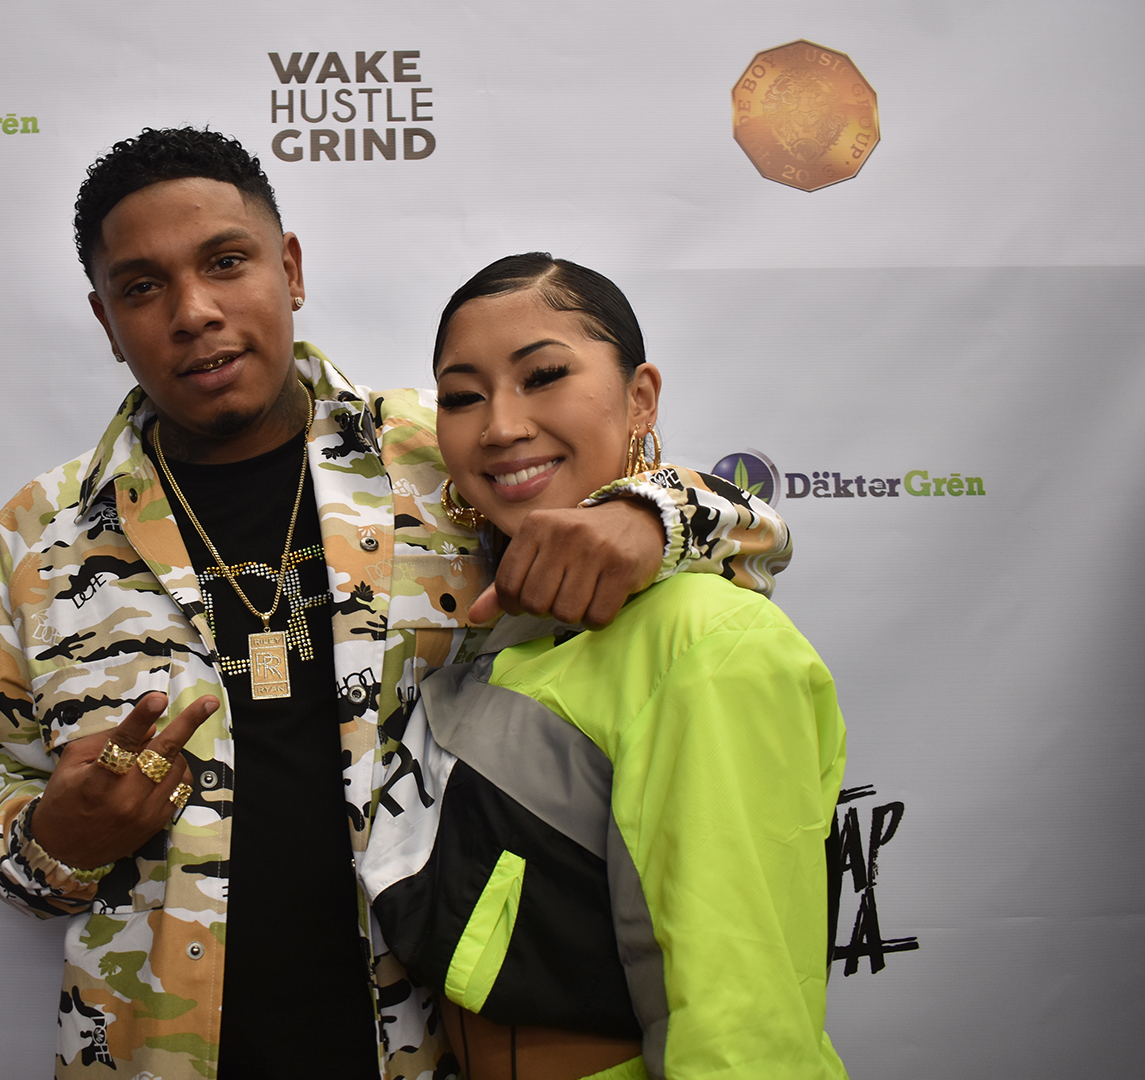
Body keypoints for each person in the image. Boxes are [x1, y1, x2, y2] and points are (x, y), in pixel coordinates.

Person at [0, 130, 795, 1080]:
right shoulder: (39, 535)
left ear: (291, 269)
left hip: (431, 1051)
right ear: (106, 320)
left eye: (226, 262)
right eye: (142, 287)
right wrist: (58, 841)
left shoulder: (451, 451)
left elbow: (748, 537)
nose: (194, 311)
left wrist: (647, 517)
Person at [361, 254, 849, 1080]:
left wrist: (653, 515)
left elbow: (741, 1019)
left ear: (641, 398)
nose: (500, 426)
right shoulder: (505, 619)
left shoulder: (706, 639)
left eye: (544, 376)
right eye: (463, 396)